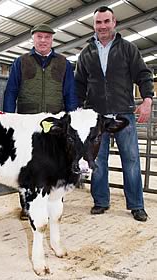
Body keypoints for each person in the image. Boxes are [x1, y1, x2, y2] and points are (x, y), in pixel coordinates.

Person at [75, 6, 154, 222]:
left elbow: (144, 75)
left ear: (114, 22)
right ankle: (101, 201)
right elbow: (79, 84)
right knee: (98, 161)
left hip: (123, 114)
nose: (102, 26)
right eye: (98, 22)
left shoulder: (128, 49)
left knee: (131, 159)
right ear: (94, 25)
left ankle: (136, 205)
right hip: (96, 117)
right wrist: (78, 109)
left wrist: (147, 100)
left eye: (106, 21)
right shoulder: (86, 53)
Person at [3, 23, 79, 219]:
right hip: (27, 124)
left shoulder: (64, 63)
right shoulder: (20, 62)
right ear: (33, 39)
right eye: (39, 37)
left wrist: (71, 122)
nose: (43, 40)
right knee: (27, 165)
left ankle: (54, 204)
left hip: (55, 124)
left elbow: (70, 93)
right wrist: (8, 119)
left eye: (47, 37)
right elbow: (11, 92)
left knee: (56, 163)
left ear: (52, 39)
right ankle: (27, 206)